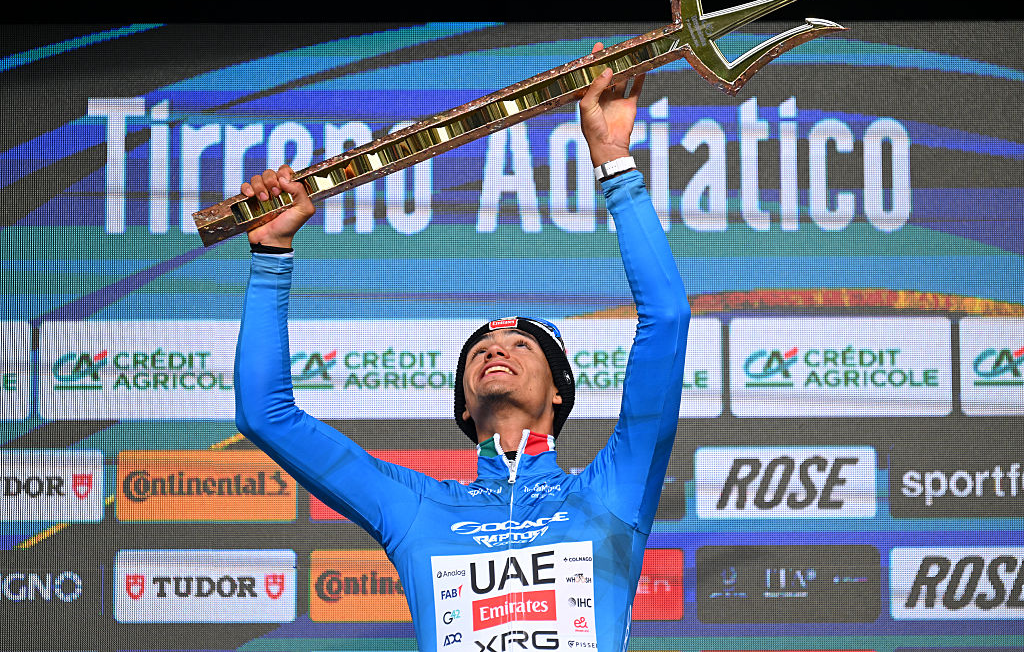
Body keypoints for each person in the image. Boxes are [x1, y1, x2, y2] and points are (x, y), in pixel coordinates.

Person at [235, 43, 690, 652]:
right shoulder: (417, 508)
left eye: (522, 342)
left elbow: (666, 317)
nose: (495, 348)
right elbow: (266, 416)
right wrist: (270, 257)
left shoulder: (612, 491)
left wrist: (613, 162)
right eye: (479, 348)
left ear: (560, 390)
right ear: (463, 404)